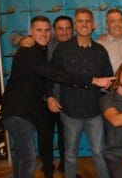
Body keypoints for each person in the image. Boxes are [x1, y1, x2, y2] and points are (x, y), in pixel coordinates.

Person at [1, 16, 113, 178]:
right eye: (39, 30)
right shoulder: (30, 51)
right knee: (28, 157)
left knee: (21, 154)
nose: (44, 34)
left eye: (46, 30)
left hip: (38, 108)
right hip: (21, 110)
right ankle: (48, 171)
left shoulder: (43, 49)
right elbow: (55, 75)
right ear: (31, 32)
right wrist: (92, 80)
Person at [46, 8, 113, 178]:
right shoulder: (62, 49)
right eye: (80, 21)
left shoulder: (100, 50)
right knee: (70, 155)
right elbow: (52, 75)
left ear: (93, 25)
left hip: (95, 112)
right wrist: (51, 96)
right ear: (75, 25)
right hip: (70, 112)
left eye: (87, 21)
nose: (84, 24)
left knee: (99, 152)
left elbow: (108, 79)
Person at [39, 16, 73, 177]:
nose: (64, 32)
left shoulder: (77, 45)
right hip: (46, 99)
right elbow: (45, 75)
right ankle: (47, 169)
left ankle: (65, 168)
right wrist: (50, 96)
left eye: (67, 28)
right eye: (60, 28)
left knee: (65, 137)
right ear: (54, 30)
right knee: (45, 136)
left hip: (67, 100)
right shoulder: (45, 45)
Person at [97, 8, 122, 72]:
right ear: (107, 25)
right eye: (113, 21)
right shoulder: (99, 45)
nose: (117, 24)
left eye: (120, 21)